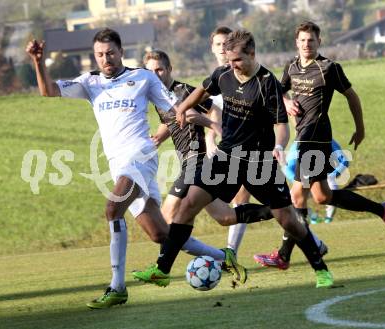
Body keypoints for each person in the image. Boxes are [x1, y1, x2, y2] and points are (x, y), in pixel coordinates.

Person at [25, 28, 246, 310]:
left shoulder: (142, 78)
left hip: (140, 156)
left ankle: (117, 287)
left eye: (111, 53)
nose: (106, 59)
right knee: (160, 234)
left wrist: (214, 125)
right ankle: (221, 257)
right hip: (119, 165)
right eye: (100, 54)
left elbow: (178, 109)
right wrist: (38, 62)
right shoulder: (89, 82)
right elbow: (48, 91)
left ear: (121, 52)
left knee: (112, 209)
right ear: (95, 56)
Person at [133, 30, 334, 289]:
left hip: (258, 161)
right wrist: (182, 109)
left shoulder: (267, 83)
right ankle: (162, 270)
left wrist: (280, 146)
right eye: (228, 59)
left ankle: (321, 269)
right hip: (227, 156)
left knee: (287, 219)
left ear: (252, 54)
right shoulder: (224, 74)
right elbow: (203, 91)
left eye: (237, 60)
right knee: (188, 204)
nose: (232, 65)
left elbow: (281, 125)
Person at [254, 21, 385, 271]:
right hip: (304, 138)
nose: (307, 44)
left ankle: (284, 255)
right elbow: (278, 91)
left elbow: (352, 96)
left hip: (317, 139)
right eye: (302, 40)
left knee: (297, 195)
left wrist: (360, 129)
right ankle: (382, 209)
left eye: (311, 40)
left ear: (319, 42)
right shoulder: (291, 66)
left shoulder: (328, 68)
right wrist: (287, 101)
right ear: (296, 42)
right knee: (322, 196)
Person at [144, 49, 273, 261]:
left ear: (169, 69)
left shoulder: (181, 91)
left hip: (196, 159)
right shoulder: (158, 96)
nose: (156, 75)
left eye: (159, 69)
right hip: (189, 161)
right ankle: (279, 210)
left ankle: (164, 266)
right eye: (151, 71)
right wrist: (158, 137)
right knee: (224, 216)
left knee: (168, 216)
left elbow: (211, 110)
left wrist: (213, 130)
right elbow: (173, 120)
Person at [207, 26, 252, 254]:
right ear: (213, 48)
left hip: (250, 147)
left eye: (227, 44)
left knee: (242, 197)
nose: (223, 49)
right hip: (224, 147)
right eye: (218, 44)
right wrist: (210, 140)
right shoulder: (214, 80)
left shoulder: (245, 75)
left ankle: (230, 251)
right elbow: (212, 114)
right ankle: (312, 241)